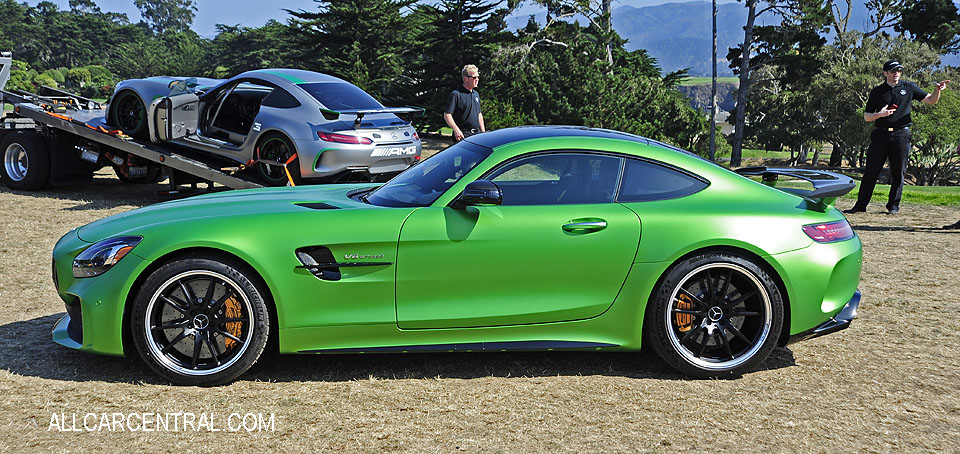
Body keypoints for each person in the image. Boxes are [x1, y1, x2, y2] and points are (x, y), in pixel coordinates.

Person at [845, 60, 949, 215]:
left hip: (901, 135)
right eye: (893, 71)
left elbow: (931, 100)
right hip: (880, 134)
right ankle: (860, 206)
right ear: (885, 73)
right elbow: (867, 116)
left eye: (899, 71)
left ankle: (893, 206)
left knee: (898, 172)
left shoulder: (909, 87)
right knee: (871, 172)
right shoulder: (878, 91)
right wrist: (879, 115)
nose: (896, 74)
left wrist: (937, 90)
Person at [443, 64, 485, 141]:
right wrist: (457, 130)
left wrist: (483, 132)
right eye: (474, 77)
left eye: (478, 77)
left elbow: (479, 114)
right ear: (466, 78)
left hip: (477, 134)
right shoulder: (456, 94)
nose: (477, 79)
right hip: (463, 135)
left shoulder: (476, 94)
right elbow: (447, 115)